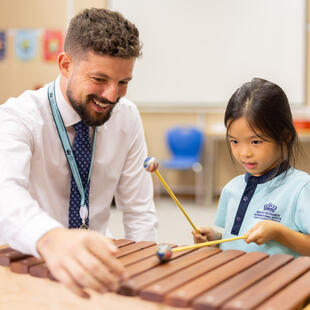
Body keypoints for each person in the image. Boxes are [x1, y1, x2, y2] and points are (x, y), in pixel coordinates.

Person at [0, 8, 158, 297]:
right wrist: (51, 239)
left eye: (123, 83)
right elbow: (5, 194)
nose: (112, 96)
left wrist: (145, 276)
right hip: (26, 260)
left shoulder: (127, 116)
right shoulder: (17, 116)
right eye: (99, 79)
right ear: (65, 65)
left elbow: (138, 210)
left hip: (95, 264)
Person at [192, 78, 310, 257]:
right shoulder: (232, 188)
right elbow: (238, 241)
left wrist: (279, 232)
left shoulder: (301, 188)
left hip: (278, 282)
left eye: (255, 141)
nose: (244, 152)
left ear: (285, 136)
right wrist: (215, 239)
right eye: (234, 141)